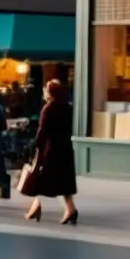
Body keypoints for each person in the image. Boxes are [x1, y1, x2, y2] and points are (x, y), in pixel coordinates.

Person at [24, 79, 78, 225]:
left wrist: (35, 147)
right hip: (65, 148)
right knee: (63, 181)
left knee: (42, 180)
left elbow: (42, 131)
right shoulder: (68, 108)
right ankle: (70, 209)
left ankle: (38, 207)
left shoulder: (48, 109)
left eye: (45, 90)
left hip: (51, 149)